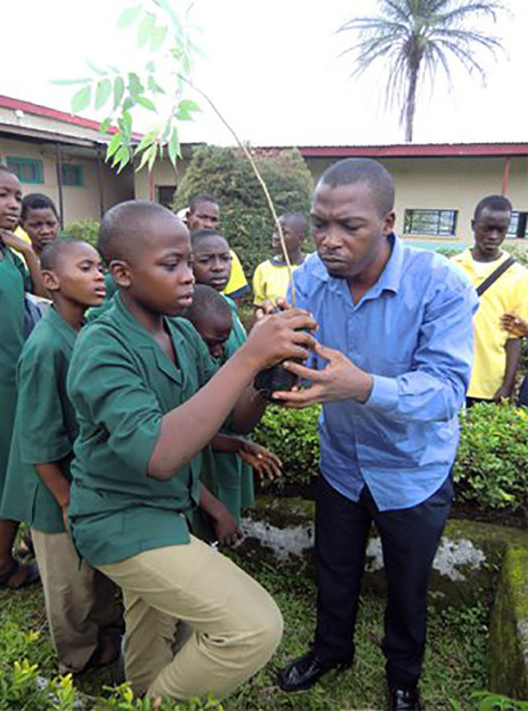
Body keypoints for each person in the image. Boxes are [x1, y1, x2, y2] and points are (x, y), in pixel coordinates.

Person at [66, 200, 316, 701]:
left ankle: (139, 691)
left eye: (187, 261)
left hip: (168, 508)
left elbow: (231, 417)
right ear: (122, 273)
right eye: (170, 264)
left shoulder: (179, 331)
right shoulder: (103, 348)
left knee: (151, 622)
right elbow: (159, 456)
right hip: (121, 519)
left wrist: (267, 374)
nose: (188, 277)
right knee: (252, 627)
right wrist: (247, 356)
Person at [269, 158, 478, 711]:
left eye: (349, 227)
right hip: (341, 460)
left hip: (412, 471)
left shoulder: (441, 287)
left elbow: (446, 393)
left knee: (407, 586)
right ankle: (330, 650)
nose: (329, 241)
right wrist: (282, 354)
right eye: (319, 224)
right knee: (333, 567)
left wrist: (363, 386)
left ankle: (403, 676)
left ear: (388, 221)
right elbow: (302, 353)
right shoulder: (309, 276)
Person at [0, 237, 123, 671]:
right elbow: (35, 440)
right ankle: (80, 654)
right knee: (68, 582)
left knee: (94, 569)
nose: (99, 276)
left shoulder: (86, 330)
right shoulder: (44, 347)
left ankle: (106, 630)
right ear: (50, 280)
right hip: (55, 490)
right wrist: (66, 500)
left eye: (100, 267)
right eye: (86, 268)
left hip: (82, 483)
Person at [184, 284, 282, 525]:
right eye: (212, 344)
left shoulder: (207, 358)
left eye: (223, 344)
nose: (218, 353)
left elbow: (235, 420)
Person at [0, 165, 45, 591]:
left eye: (16, 196)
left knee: (16, 463)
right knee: (7, 468)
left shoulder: (9, 255)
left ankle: (15, 548)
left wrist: (27, 253)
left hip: (16, 377)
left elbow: (42, 299)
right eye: (2, 195)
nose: (13, 205)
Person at [450, 196, 528, 407]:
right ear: (474, 225)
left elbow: (514, 337)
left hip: (488, 384)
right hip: (448, 376)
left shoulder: (519, 276)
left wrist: (508, 385)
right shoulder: (451, 268)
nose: (493, 236)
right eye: (487, 228)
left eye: (501, 230)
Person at [185, 194, 249, 299]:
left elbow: (234, 302)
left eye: (214, 220)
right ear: (188, 216)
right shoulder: (174, 252)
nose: (208, 224)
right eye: (203, 217)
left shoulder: (229, 255)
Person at [252, 212, 308, 305]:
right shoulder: (263, 269)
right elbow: (259, 307)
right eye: (275, 231)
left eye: (283, 232)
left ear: (300, 238)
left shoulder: (313, 267)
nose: (275, 237)